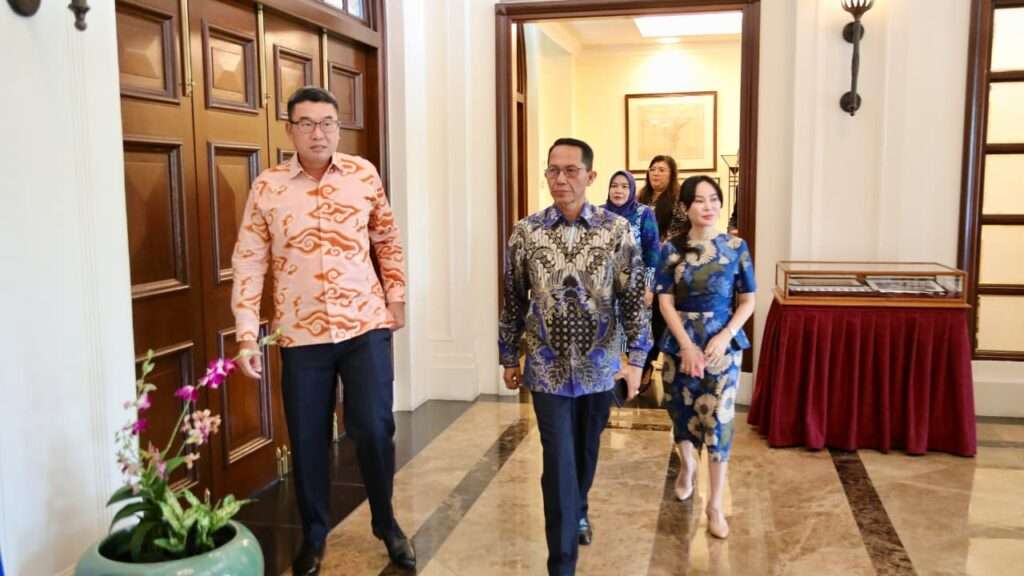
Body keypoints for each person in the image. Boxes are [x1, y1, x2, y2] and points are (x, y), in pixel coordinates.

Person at [231, 86, 415, 574]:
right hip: (300, 335)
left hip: (364, 324)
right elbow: (249, 260)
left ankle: (386, 522)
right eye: (307, 123)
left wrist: (396, 297)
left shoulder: (363, 174)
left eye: (328, 123)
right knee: (308, 437)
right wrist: (247, 333)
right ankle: (314, 534)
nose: (319, 133)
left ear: (338, 127)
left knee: (374, 427)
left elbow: (387, 239)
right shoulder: (268, 186)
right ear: (290, 129)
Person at [499, 138, 651, 576]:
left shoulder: (616, 231)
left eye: (570, 170)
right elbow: (513, 299)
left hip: (599, 368)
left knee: (585, 450)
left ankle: (579, 505)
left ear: (590, 176)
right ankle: (561, 562)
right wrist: (509, 355)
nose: (560, 179)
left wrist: (637, 359)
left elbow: (632, 300)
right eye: (553, 170)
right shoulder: (526, 232)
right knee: (558, 460)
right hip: (546, 367)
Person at [654, 175, 756, 540]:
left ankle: (714, 505)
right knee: (682, 415)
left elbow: (748, 300)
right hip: (680, 343)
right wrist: (685, 344)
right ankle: (687, 467)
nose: (708, 206)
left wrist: (725, 335)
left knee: (719, 423)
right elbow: (664, 301)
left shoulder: (736, 247)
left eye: (713, 198)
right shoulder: (671, 249)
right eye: (699, 200)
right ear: (685, 207)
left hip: (721, 347)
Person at [636, 155, 683, 391]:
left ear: (671, 174)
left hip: (664, 267)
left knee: (657, 319)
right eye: (652, 169)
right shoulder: (640, 197)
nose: (655, 173)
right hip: (639, 265)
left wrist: (659, 245)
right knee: (638, 318)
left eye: (662, 170)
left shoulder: (676, 201)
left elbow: (680, 234)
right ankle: (637, 364)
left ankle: (647, 366)